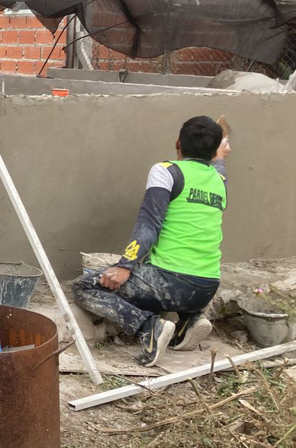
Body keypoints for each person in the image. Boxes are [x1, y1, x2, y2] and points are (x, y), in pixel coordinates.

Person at [72, 116, 229, 367]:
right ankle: (189, 320)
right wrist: (220, 156)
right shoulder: (220, 182)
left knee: (84, 286)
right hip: (207, 287)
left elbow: (148, 225)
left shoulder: (167, 171)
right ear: (214, 152)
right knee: (180, 277)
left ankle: (149, 327)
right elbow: (219, 167)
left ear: (178, 142)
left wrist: (125, 266)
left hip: (169, 282)